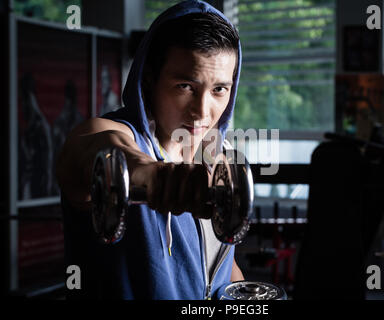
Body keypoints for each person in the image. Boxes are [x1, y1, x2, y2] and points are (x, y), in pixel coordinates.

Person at [56, 0, 244, 299]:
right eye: (185, 86)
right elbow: (92, 152)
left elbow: (221, 265)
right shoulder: (108, 132)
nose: (203, 112)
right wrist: (152, 176)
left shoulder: (218, 156)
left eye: (219, 89)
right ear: (148, 79)